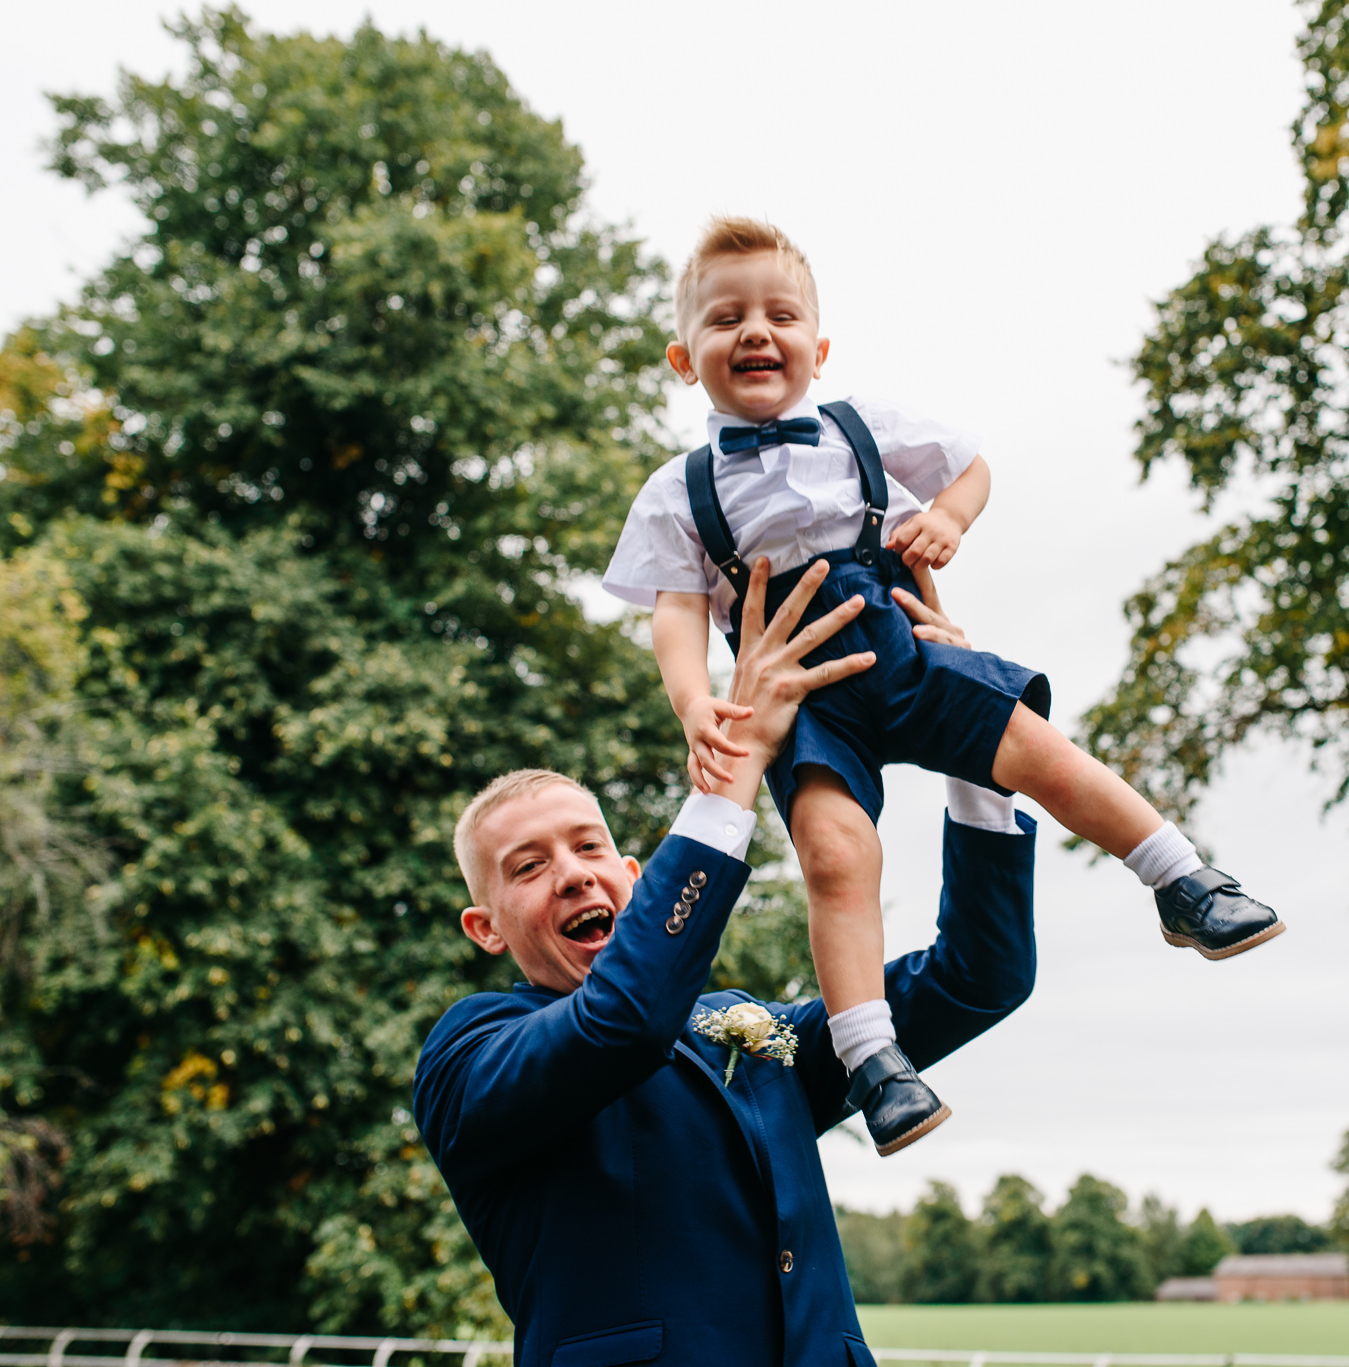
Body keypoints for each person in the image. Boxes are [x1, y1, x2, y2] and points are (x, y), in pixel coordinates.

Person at [600, 216, 1284, 1156]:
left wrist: (950, 522)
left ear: (819, 345)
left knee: (1041, 751)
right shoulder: (678, 492)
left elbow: (970, 468)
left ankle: (1182, 878)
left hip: (909, 644)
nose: (755, 331)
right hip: (803, 694)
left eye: (779, 314)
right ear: (685, 358)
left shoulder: (862, 428)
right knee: (836, 856)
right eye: (726, 319)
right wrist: (693, 701)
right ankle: (874, 1058)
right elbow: (676, 610)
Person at [414, 562, 1038, 1367]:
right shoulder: (469, 1054)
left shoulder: (745, 1029)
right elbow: (625, 1021)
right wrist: (735, 766)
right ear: (485, 927)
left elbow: (979, 976)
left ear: (636, 878)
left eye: (588, 845)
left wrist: (972, 753)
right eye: (527, 867)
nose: (571, 872)